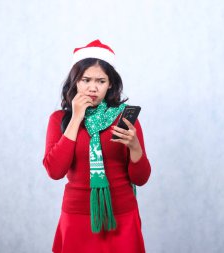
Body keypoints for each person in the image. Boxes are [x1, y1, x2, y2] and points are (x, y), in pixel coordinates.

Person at [42, 39, 151, 253]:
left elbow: (141, 178)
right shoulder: (59, 119)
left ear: (110, 84)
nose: (93, 87)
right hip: (77, 216)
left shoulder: (124, 119)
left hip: (120, 215)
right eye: (86, 80)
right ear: (75, 82)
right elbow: (55, 171)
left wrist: (135, 146)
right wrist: (75, 119)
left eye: (101, 81)